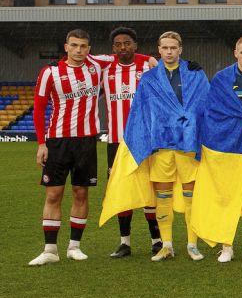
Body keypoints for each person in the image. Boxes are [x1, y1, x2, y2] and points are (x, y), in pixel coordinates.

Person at [31, 30, 130, 266]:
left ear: (89, 48)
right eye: (74, 45)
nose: (79, 50)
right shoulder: (50, 72)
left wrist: (153, 59)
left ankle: (74, 246)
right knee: (54, 193)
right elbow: (38, 107)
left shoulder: (97, 66)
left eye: (83, 46)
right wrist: (41, 143)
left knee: (81, 192)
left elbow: (129, 56)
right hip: (57, 141)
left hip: (86, 141)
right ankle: (50, 250)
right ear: (66, 47)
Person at [191, 36, 242, 262]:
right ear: (235, 53)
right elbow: (212, 112)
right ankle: (226, 246)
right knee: (228, 192)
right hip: (228, 142)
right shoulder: (221, 78)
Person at [140, 32, 211, 262]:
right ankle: (167, 245)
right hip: (161, 144)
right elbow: (142, 111)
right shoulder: (149, 78)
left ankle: (192, 244)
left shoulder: (195, 73)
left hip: (187, 143)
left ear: (181, 49)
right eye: (165, 48)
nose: (169, 52)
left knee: (191, 195)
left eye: (173, 48)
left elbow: (205, 104)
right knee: (163, 195)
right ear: (158, 50)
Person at [99, 27, 161, 258]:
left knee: (149, 188)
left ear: (135, 45)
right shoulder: (104, 68)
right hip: (117, 141)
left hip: (146, 139)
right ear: (113, 48)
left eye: (127, 43)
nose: (123, 47)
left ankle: (156, 240)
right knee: (121, 189)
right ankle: (124, 243)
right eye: (118, 44)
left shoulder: (149, 65)